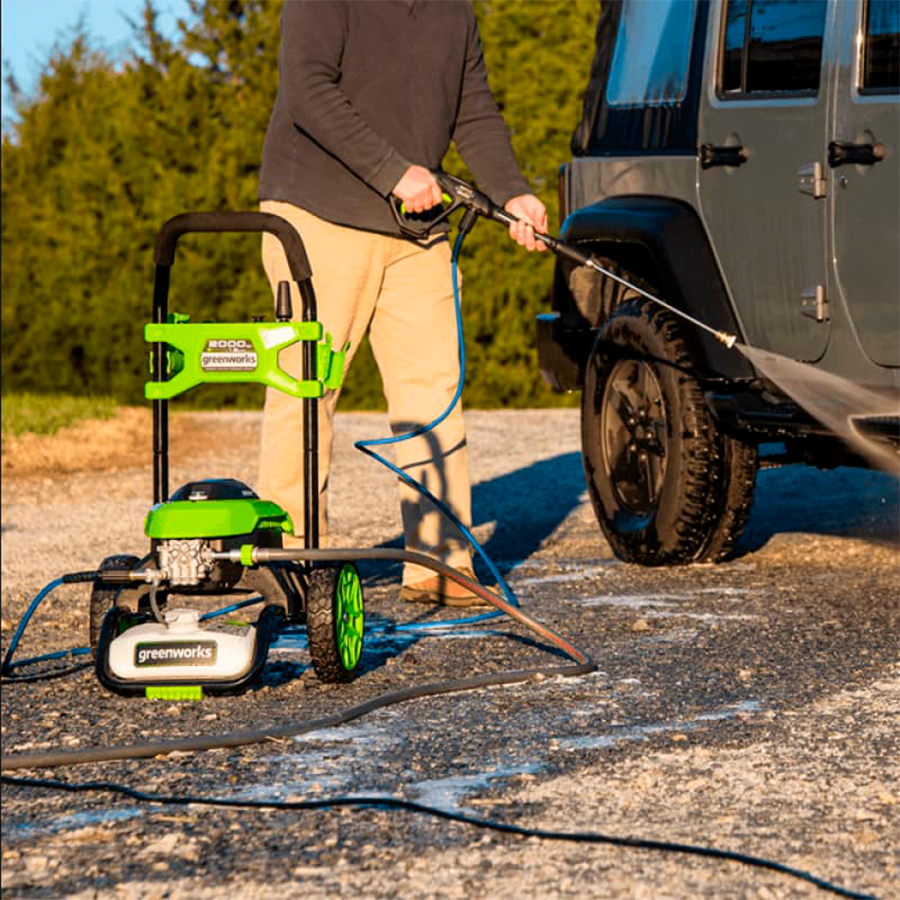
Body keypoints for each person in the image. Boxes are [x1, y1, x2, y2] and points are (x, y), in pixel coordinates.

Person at [257, 0, 547, 606]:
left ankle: (439, 562)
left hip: (417, 225)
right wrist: (392, 170)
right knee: (306, 387)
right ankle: (290, 564)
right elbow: (308, 90)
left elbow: (474, 110)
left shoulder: (455, 10)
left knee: (434, 392)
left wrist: (512, 192)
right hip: (319, 212)